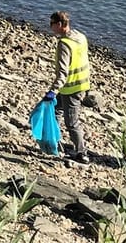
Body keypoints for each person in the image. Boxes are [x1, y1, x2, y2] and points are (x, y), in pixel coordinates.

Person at [42, 11, 91, 164]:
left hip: (71, 88)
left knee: (72, 122)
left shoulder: (64, 44)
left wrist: (52, 91)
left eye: (52, 24)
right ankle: (54, 143)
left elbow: (62, 73)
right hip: (82, 83)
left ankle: (81, 153)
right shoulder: (81, 37)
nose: (50, 27)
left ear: (59, 25)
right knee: (55, 111)